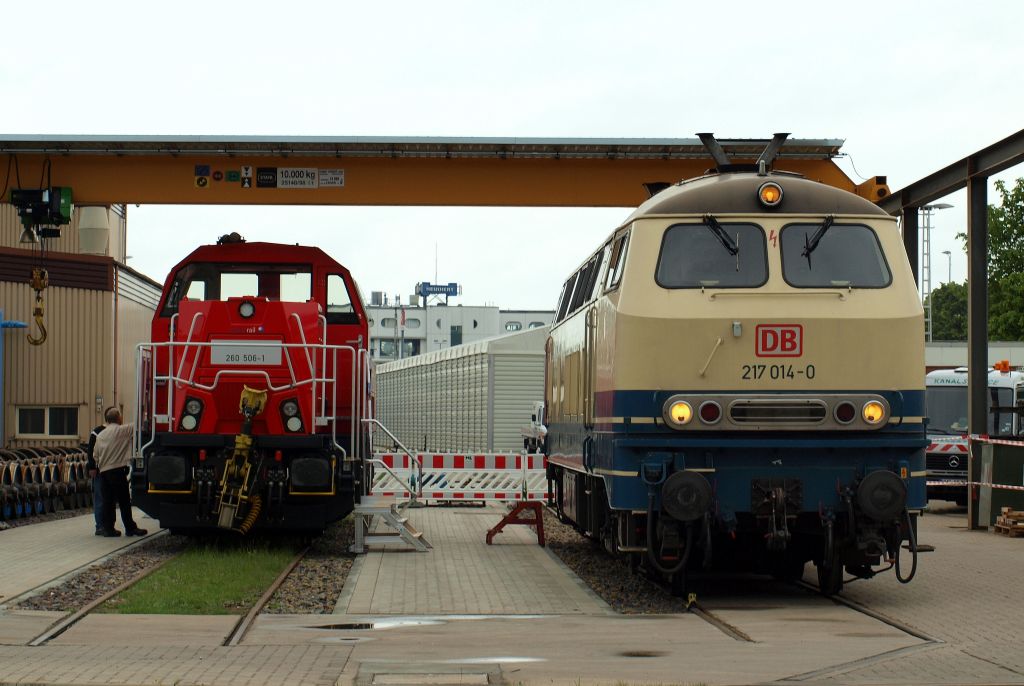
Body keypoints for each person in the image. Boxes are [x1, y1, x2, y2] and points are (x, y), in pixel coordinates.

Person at [93, 406, 147, 537]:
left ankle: (108, 529)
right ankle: (130, 528)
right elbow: (139, 425)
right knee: (124, 500)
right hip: (117, 470)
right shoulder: (122, 430)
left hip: (103, 471)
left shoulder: (100, 436)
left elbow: (95, 455)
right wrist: (143, 410)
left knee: (108, 501)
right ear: (118, 418)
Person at [86, 422, 107, 535]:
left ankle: (106, 525)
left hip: (107, 468)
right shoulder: (97, 431)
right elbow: (90, 450)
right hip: (100, 469)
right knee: (100, 497)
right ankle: (99, 526)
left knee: (103, 498)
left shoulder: (117, 430)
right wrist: (92, 467)